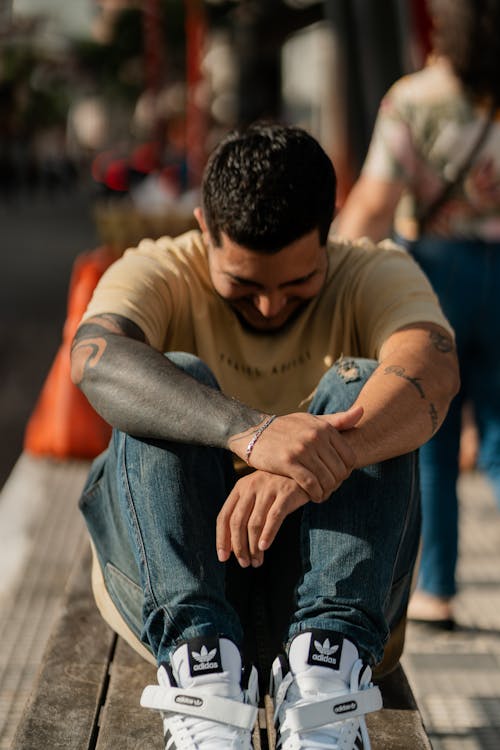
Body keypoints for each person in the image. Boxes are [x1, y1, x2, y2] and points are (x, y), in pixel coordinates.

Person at [71, 122, 458, 750]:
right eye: (245, 286)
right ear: (204, 228)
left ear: (330, 230)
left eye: (296, 284)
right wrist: (250, 433)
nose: (271, 307)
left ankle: (326, 684)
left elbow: (433, 369)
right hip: (178, 585)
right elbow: (95, 359)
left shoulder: (376, 269)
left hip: (330, 597)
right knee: (168, 378)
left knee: (366, 384)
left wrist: (316, 458)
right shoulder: (159, 266)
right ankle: (203, 670)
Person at [335, 0, 500, 630]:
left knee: (430, 428)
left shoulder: (415, 99)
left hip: (434, 274)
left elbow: (376, 204)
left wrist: (333, 263)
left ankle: (436, 591)